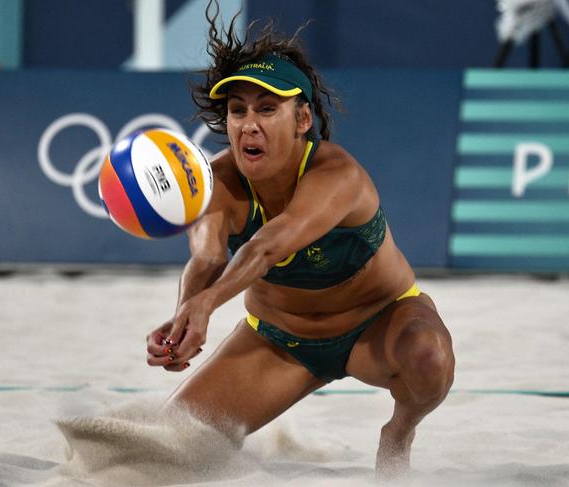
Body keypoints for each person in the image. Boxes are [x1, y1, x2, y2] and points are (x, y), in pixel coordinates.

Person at [146, 2, 455, 478]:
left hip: (377, 326)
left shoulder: (337, 174)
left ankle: (399, 430)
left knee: (429, 357)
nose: (249, 124)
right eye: (237, 111)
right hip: (279, 343)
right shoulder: (216, 181)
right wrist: (184, 318)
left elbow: (270, 245)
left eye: (268, 109)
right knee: (166, 447)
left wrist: (208, 305)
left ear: (303, 119)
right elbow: (207, 256)